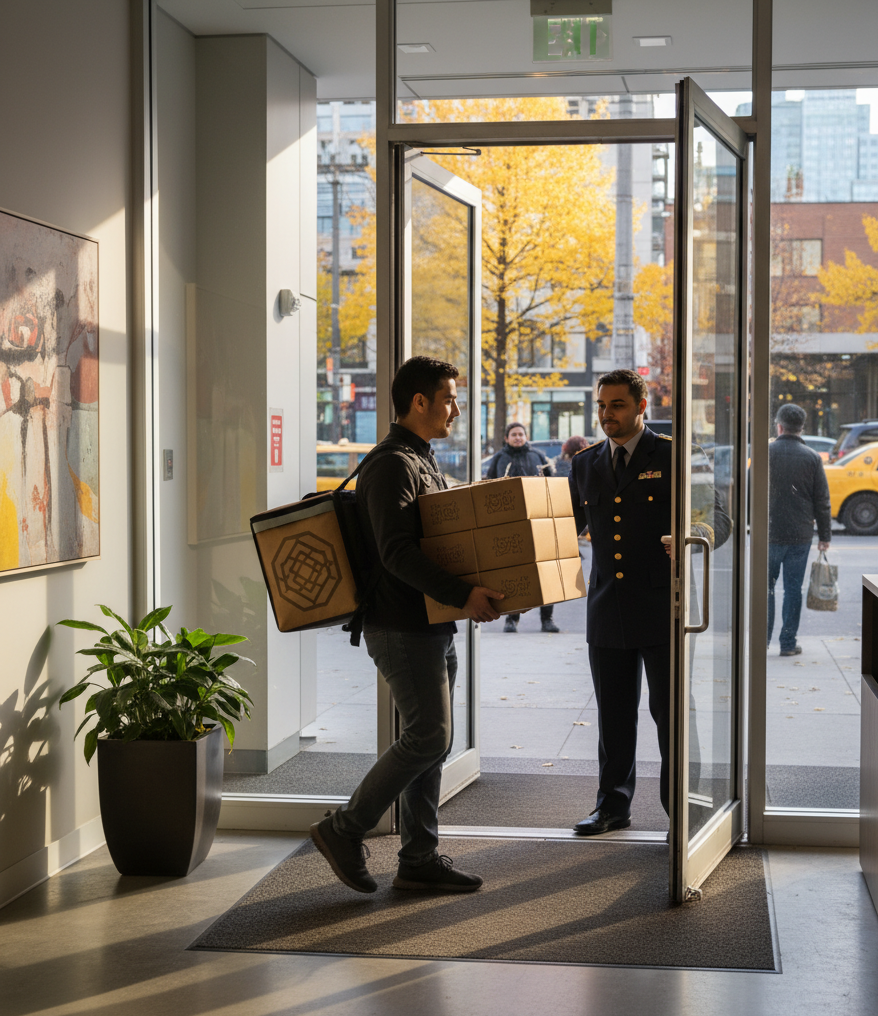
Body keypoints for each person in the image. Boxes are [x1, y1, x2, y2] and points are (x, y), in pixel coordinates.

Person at [310, 356, 504, 894]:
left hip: (431, 623)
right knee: (428, 736)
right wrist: (464, 594)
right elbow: (397, 553)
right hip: (400, 625)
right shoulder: (391, 464)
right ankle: (343, 829)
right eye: (448, 398)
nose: (456, 409)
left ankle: (418, 857)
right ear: (418, 402)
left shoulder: (421, 458)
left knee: (432, 742)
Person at [567, 369, 731, 835]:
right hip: (607, 607)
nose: (606, 415)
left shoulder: (678, 454)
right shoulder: (585, 464)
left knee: (672, 712)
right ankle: (612, 805)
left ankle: (684, 809)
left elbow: (718, 516)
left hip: (666, 608)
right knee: (613, 715)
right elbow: (563, 530)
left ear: (642, 407)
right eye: (601, 406)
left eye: (616, 405)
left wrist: (693, 535)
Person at [768, 403, 832, 657]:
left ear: (779, 426)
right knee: (793, 589)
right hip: (800, 535)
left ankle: (763, 641)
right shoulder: (812, 457)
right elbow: (822, 501)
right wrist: (825, 536)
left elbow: (748, 491)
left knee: (767, 588)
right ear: (801, 428)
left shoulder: (765, 453)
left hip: (770, 533)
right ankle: (787, 643)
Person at [486, 422, 559, 634]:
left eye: (521, 434)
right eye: (513, 434)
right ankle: (511, 619)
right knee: (512, 575)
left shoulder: (539, 456)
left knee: (544, 572)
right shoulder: (499, 458)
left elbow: (552, 486)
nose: (518, 437)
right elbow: (488, 486)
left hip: (538, 523)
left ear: (526, 436)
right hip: (508, 525)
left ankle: (547, 619)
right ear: (507, 438)